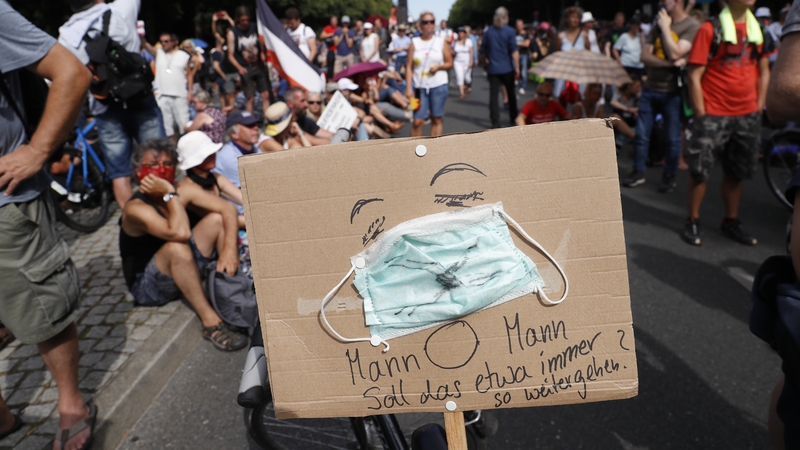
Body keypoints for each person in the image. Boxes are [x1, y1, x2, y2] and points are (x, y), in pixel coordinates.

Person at [0, 4, 94, 448]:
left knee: (43, 311)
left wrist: (38, 150)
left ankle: (72, 404)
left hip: (7, 206)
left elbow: (72, 74)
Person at [119, 139, 247, 351]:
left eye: (168, 164)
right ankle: (210, 322)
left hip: (184, 264)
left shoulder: (181, 188)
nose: (161, 169)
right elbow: (180, 233)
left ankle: (229, 292)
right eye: (153, 165)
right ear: (139, 170)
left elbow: (228, 210)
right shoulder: (135, 207)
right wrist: (170, 193)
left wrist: (229, 252)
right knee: (176, 247)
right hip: (148, 286)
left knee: (215, 219)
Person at [58, 0, 167, 210]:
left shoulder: (66, 36)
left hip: (105, 109)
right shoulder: (120, 10)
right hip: (141, 99)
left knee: (120, 174)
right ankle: (165, 215)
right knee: (158, 162)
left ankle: (133, 227)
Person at [681, 0, 772, 246]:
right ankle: (693, 220)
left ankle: (730, 221)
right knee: (700, 171)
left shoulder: (758, 30)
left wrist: (759, 105)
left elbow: (764, 69)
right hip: (713, 113)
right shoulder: (710, 29)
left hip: (747, 113)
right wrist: (701, 112)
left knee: (736, 172)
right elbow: (694, 74)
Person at [622, 0, 699, 192]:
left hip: (672, 91)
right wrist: (667, 64)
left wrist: (666, 28)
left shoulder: (691, 26)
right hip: (650, 89)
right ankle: (638, 171)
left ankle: (669, 175)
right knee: (641, 135)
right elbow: (644, 57)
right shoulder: (658, 23)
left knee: (672, 138)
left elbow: (675, 53)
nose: (661, 2)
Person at [177, 131, 247, 229]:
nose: (213, 155)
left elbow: (245, 199)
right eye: (207, 155)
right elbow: (222, 220)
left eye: (212, 152)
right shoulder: (189, 187)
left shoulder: (215, 177)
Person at [405, 11, 453, 137]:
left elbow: (449, 63)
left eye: (431, 21)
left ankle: (433, 149)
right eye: (425, 22)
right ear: (420, 24)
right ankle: (415, 150)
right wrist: (408, 87)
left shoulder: (440, 42)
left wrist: (439, 67)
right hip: (419, 89)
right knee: (417, 121)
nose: (429, 24)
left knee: (436, 118)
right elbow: (409, 67)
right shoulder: (414, 43)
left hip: (438, 85)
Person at [141, 32, 192, 139]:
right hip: (163, 94)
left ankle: (186, 148)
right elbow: (146, 45)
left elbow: (189, 75)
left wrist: (190, 92)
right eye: (161, 41)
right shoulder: (159, 53)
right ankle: (173, 151)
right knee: (167, 127)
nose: (163, 44)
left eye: (166, 41)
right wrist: (140, 35)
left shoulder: (183, 56)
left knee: (184, 124)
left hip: (179, 94)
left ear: (174, 42)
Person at [227, 5, 272, 117]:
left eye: (247, 19)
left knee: (265, 95)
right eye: (243, 20)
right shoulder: (232, 33)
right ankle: (250, 121)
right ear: (238, 19)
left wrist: (265, 56)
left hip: (258, 65)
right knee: (250, 97)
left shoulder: (255, 27)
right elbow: (230, 55)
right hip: (245, 67)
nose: (245, 22)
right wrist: (239, 67)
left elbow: (264, 43)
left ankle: (267, 120)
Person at [213, 110, 260, 214]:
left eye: (255, 124)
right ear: (234, 134)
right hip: (241, 214)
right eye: (249, 126)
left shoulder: (255, 149)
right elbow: (256, 192)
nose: (256, 128)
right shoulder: (228, 158)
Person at [481, 7, 520, 129]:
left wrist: (485, 60)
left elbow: (483, 50)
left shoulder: (489, 32)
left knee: (493, 96)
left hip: (493, 68)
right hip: (507, 68)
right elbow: (514, 51)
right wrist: (517, 67)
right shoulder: (510, 31)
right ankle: (513, 118)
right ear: (506, 17)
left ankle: (495, 122)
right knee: (511, 94)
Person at [452, 27, 474, 100]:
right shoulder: (455, 42)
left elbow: (471, 52)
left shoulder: (468, 41)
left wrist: (471, 62)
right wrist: (453, 53)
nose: (460, 34)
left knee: (467, 78)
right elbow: (451, 50)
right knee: (459, 77)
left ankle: (467, 87)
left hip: (466, 62)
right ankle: (461, 93)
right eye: (459, 32)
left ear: (464, 34)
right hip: (457, 62)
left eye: (462, 32)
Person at [515, 19, 531, 95]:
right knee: (514, 69)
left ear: (523, 26)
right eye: (517, 25)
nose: (519, 27)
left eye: (520, 25)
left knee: (524, 71)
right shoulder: (514, 33)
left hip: (523, 54)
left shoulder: (526, 34)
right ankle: (516, 81)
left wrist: (517, 44)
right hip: (515, 54)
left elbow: (527, 44)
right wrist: (522, 43)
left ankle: (523, 86)